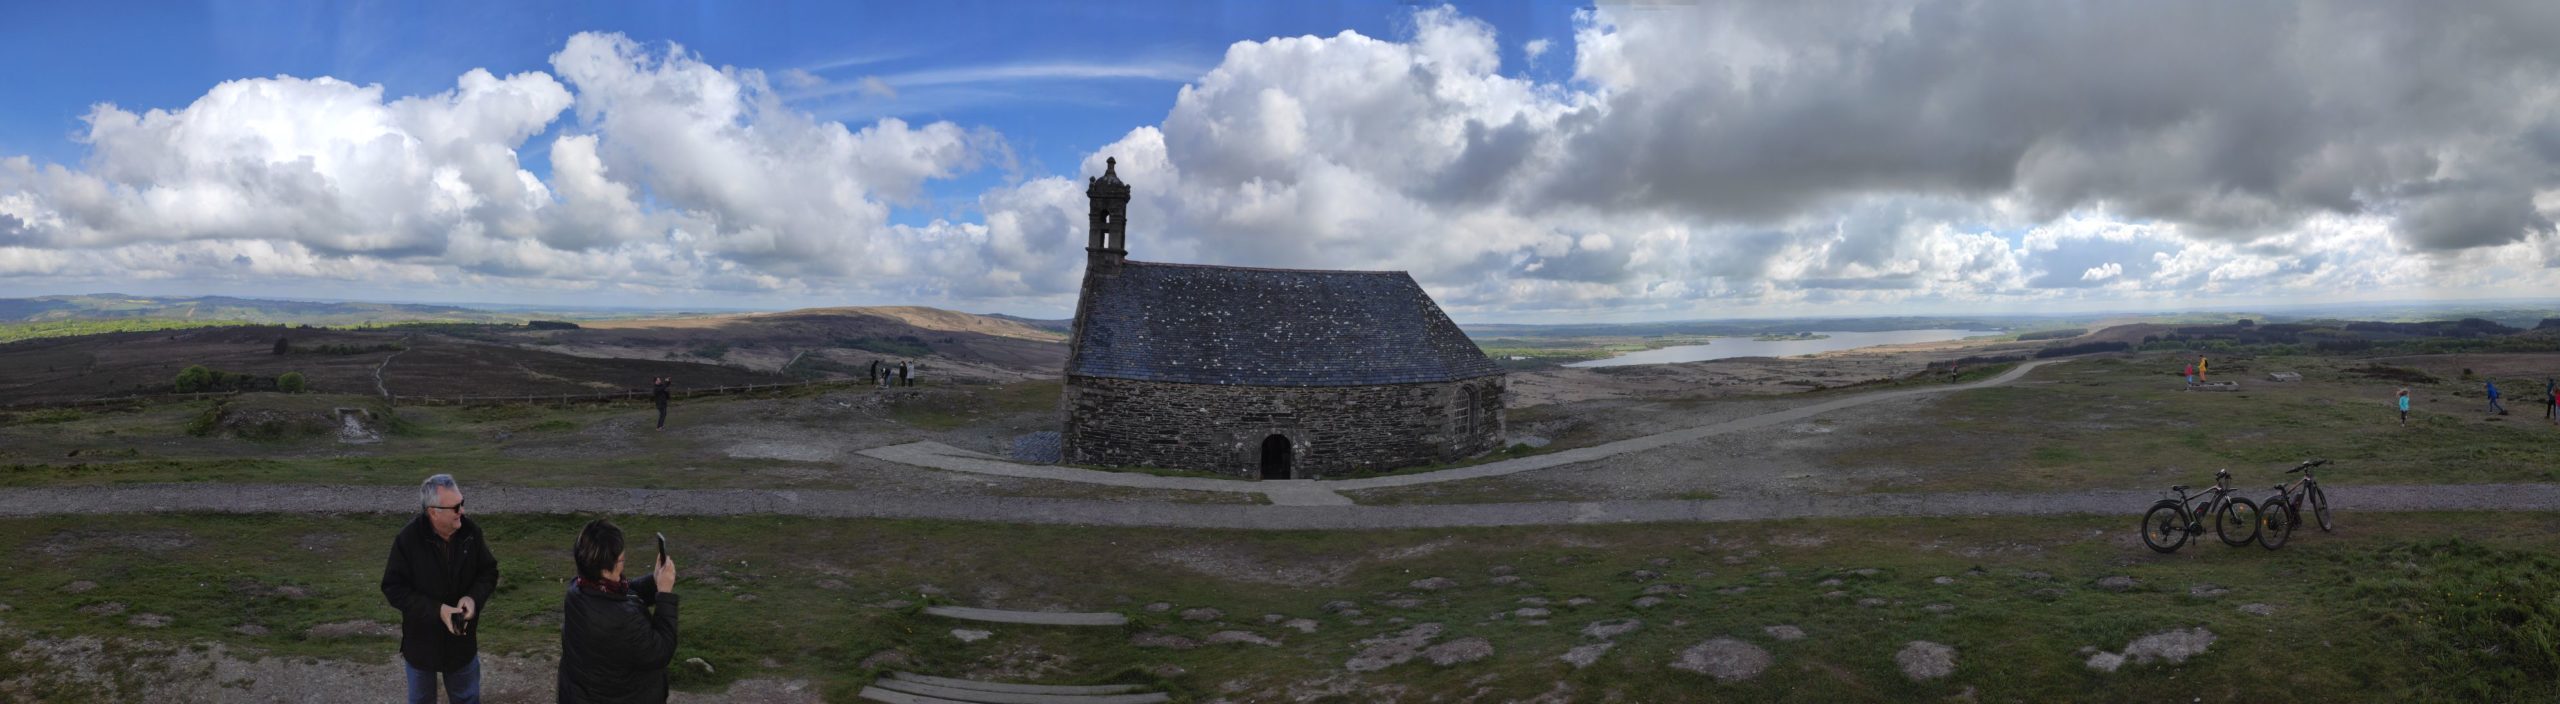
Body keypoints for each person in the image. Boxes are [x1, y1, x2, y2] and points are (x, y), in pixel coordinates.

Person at [382, 474, 499, 704]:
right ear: (433, 512)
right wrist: (438, 610)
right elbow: (393, 588)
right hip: (420, 644)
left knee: (467, 698)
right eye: (455, 507)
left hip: (461, 641)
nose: (462, 512)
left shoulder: (471, 533)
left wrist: (473, 599)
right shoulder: (408, 540)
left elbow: (488, 572)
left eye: (462, 503)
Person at [559, 519, 679, 704]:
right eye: (621, 560)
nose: (623, 563)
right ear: (605, 570)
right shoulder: (624, 620)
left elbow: (625, 595)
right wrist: (664, 594)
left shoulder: (577, 591)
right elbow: (660, 652)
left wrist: (655, 580)